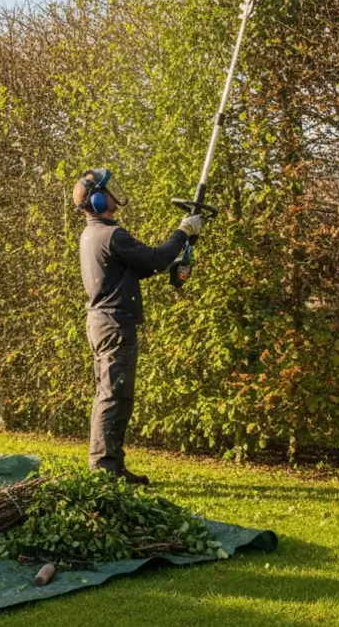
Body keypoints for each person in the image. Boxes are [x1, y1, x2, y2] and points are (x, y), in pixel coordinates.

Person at [74, 168, 203, 484]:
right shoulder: (112, 234)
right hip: (114, 324)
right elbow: (156, 257)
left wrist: (173, 260)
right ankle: (103, 470)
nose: (114, 193)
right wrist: (183, 232)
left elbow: (137, 268)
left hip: (105, 323)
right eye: (107, 190)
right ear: (99, 198)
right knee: (112, 396)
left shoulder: (93, 234)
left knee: (116, 395)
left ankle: (113, 466)